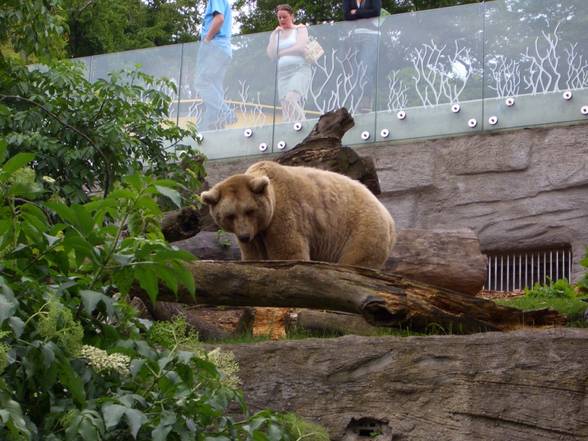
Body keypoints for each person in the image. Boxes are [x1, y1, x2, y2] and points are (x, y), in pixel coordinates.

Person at [266, 4, 312, 123]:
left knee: (291, 98)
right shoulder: (278, 33)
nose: (281, 20)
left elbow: (300, 47)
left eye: (284, 17)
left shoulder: (300, 28)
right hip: (282, 74)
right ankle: (292, 131)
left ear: (291, 16)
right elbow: (271, 54)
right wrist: (273, 35)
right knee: (286, 108)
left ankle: (305, 124)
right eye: (279, 17)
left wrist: (280, 53)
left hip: (299, 69)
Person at [195, 0, 234, 131]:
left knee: (201, 82)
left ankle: (225, 113)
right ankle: (208, 127)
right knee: (215, 89)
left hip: (214, 47)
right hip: (224, 49)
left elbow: (219, 19)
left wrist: (207, 39)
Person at [343, 0, 381, 113]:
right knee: (354, 71)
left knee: (366, 68)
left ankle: (366, 101)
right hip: (354, 36)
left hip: (371, 35)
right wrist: (364, 13)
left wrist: (356, 12)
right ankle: (355, 102)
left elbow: (376, 12)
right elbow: (347, 15)